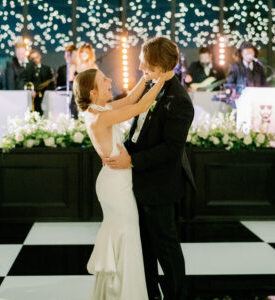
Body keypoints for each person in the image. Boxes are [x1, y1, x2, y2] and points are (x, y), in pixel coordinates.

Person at [104, 37, 195, 300]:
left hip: (159, 185)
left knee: (165, 246)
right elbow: (138, 130)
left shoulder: (179, 100)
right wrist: (124, 152)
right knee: (142, 246)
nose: (142, 69)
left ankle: (177, 295)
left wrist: (130, 161)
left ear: (164, 67)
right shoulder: (150, 87)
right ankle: (148, 293)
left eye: (147, 66)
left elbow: (170, 150)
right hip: (138, 181)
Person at [74, 67, 173, 300]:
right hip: (115, 186)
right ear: (93, 92)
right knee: (126, 236)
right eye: (104, 79)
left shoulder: (99, 109)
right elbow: (138, 107)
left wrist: (146, 79)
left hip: (115, 181)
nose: (110, 79)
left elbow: (130, 99)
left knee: (123, 235)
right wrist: (161, 80)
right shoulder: (101, 115)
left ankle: (117, 292)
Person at [27, 49, 54, 114]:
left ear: (40, 57)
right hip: (33, 98)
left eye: (36, 57)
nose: (35, 60)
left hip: (45, 98)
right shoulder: (28, 70)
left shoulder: (47, 69)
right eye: (32, 58)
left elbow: (50, 83)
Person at [56, 44, 78, 118]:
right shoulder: (61, 69)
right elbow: (59, 84)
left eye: (67, 54)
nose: (65, 56)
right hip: (63, 96)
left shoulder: (78, 69)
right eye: (65, 54)